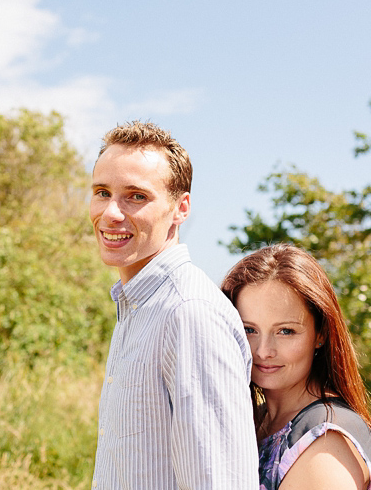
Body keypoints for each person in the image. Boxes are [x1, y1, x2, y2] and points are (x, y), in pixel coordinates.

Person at [89, 120, 258, 489]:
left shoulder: (188, 313)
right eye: (102, 192)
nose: (111, 213)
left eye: (136, 196)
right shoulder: (137, 308)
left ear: (181, 208)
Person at [220, 243, 371, 490]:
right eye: (249, 330)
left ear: (320, 334)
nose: (263, 351)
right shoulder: (256, 419)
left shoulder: (326, 443)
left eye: (286, 331)